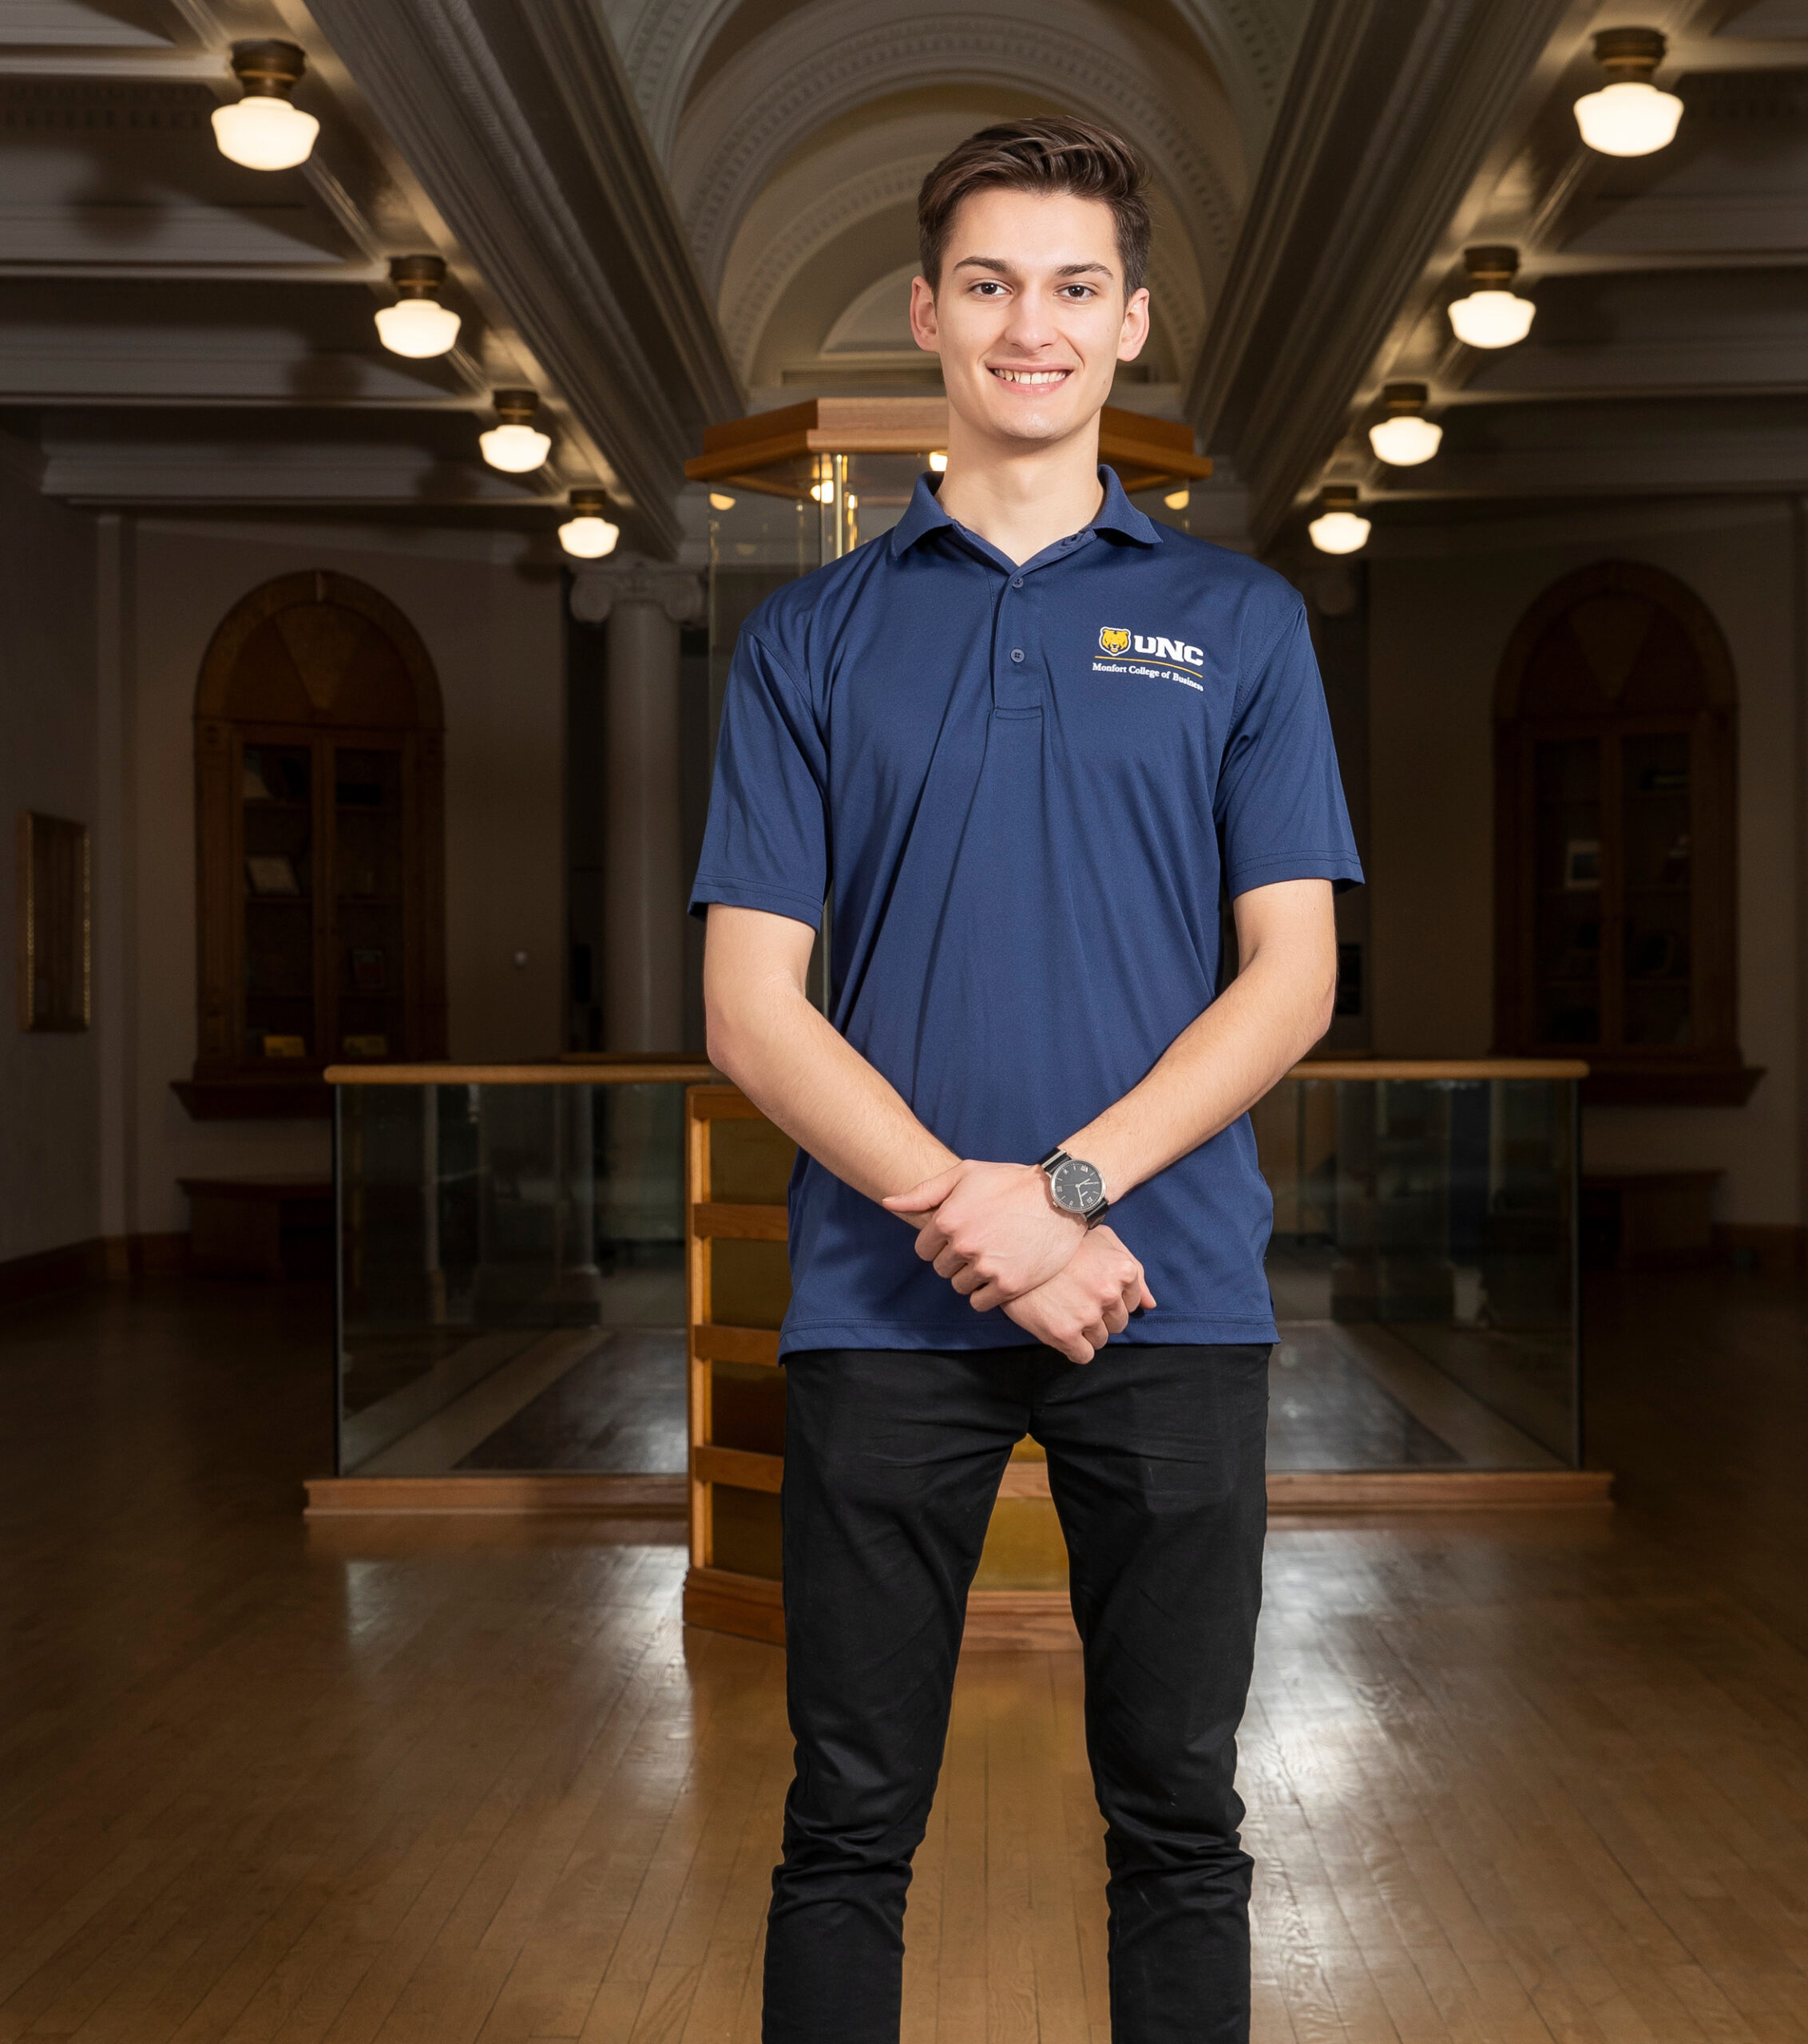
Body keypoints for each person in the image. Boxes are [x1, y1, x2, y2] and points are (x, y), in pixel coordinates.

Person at [691, 116, 1362, 2044]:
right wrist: (968, 1214)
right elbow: (751, 1005)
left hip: (1172, 1292)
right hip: (877, 1311)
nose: (1029, 324)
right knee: (844, 1822)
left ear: (1130, 321)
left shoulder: (1238, 624)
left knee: (1179, 1821)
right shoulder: (807, 636)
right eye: (987, 283)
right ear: (925, 313)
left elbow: (1292, 973)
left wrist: (1058, 1190)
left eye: (1073, 286)